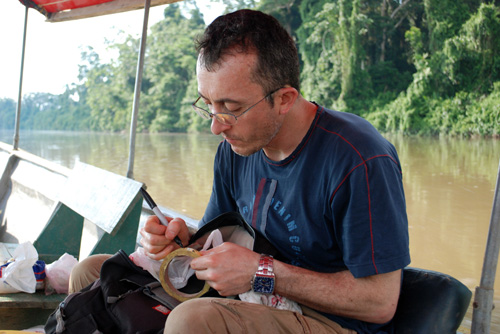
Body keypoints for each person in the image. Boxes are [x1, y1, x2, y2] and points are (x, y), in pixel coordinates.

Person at [70, 9, 410, 334]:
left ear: (285, 98)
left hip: (329, 321)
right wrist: (180, 242)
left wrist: (260, 273)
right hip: (251, 298)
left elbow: (379, 302)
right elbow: (216, 239)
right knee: (91, 272)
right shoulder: (236, 150)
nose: (216, 127)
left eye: (230, 109)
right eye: (208, 105)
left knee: (192, 321)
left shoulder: (358, 159)